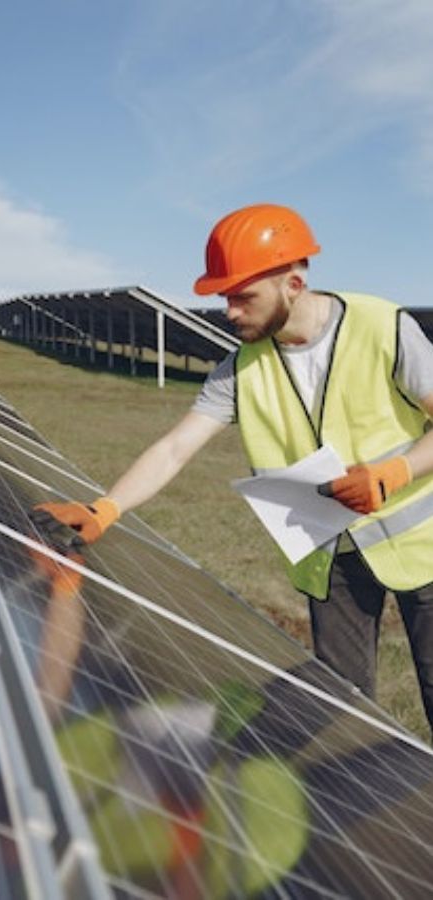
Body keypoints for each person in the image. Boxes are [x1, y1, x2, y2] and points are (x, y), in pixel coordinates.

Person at [30, 203, 433, 733]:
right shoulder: (238, 369)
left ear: (292, 283)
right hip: (332, 552)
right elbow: (176, 448)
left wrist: (395, 473)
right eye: (225, 297)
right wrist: (107, 507)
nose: (230, 311)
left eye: (243, 296)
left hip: (421, 542)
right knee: (341, 702)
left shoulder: (383, 327)